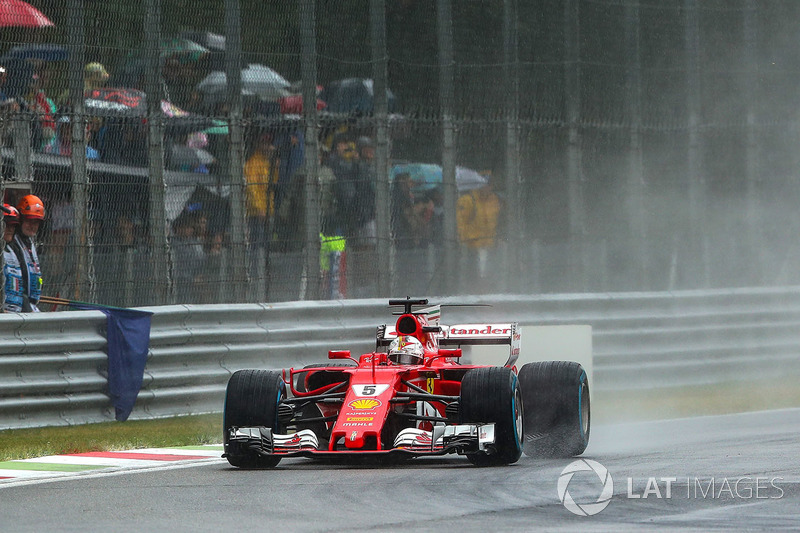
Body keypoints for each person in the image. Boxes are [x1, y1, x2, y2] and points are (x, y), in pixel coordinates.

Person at [456, 180, 501, 279]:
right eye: (485, 184)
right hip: (472, 248)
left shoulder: (494, 200)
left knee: (490, 277)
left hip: (491, 247)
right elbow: (461, 224)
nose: (488, 187)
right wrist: (466, 241)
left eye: (489, 184)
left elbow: (498, 221)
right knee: (473, 277)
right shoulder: (467, 200)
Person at [10, 195, 45, 312]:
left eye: (36, 222)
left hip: (30, 304)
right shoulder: (13, 243)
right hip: (17, 307)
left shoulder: (29, 242)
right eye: (29, 221)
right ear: (20, 220)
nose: (32, 226)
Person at [2, 204, 24, 312]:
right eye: (7, 225)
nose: (10, 229)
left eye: (13, 226)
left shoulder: (12, 251)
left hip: (15, 312)